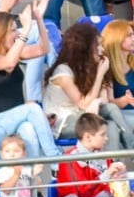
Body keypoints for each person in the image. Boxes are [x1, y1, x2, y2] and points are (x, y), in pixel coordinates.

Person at [0, 0, 63, 165]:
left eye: (17, 30)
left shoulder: (13, 53)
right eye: (13, 30)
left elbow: (43, 49)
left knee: (29, 131)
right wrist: (26, 29)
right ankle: (56, 160)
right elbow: (8, 64)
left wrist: (39, 19)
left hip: (18, 118)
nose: (16, 34)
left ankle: (31, 183)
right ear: (0, 34)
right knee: (33, 108)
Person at [43, 22, 134, 151]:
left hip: (84, 114)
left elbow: (104, 102)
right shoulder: (63, 72)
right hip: (64, 122)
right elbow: (84, 104)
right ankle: (129, 153)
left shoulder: (88, 68)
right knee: (108, 126)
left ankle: (115, 165)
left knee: (111, 117)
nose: (102, 49)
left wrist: (101, 77)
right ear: (85, 50)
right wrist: (100, 73)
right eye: (98, 46)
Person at [101, 18, 134, 130]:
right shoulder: (106, 66)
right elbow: (109, 103)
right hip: (120, 115)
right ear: (116, 39)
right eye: (129, 35)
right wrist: (126, 100)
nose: (133, 38)